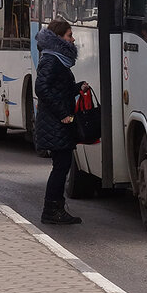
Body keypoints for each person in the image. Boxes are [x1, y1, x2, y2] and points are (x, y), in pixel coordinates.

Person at [34, 18, 89, 225]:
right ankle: (51, 210)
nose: (72, 39)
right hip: (56, 122)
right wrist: (61, 114)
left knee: (62, 165)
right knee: (61, 166)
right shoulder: (51, 59)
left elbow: (58, 88)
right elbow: (41, 88)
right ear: (59, 37)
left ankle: (55, 208)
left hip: (57, 122)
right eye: (69, 35)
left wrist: (77, 88)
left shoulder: (57, 58)